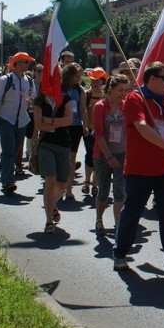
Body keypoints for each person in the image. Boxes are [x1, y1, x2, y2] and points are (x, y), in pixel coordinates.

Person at [111, 62, 164, 281]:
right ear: (151, 79)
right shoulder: (135, 99)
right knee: (132, 212)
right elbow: (142, 128)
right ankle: (120, 253)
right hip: (139, 170)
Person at [0, 53, 36, 195]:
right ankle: (8, 181)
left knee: (13, 152)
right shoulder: (5, 80)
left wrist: (31, 101)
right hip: (6, 119)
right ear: (16, 63)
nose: (27, 65)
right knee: (9, 150)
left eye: (28, 62)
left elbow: (34, 98)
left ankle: (4, 167)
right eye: (24, 62)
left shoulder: (29, 81)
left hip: (22, 120)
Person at [92, 74, 131, 236]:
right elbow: (99, 135)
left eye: (126, 90)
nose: (123, 94)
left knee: (120, 192)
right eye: (120, 90)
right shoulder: (100, 106)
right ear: (111, 89)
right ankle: (99, 219)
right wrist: (109, 156)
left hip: (122, 154)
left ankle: (118, 226)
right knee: (103, 191)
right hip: (103, 155)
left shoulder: (126, 106)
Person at [33, 82, 74, 234]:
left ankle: (51, 204)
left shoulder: (66, 98)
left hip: (63, 144)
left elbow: (69, 120)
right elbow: (38, 125)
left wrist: (49, 121)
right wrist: (56, 123)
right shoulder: (39, 101)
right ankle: (49, 221)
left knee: (62, 185)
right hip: (46, 144)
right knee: (50, 180)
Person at [62, 63, 88, 200]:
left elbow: (83, 109)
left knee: (72, 158)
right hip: (61, 126)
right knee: (62, 157)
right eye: (77, 76)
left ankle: (69, 189)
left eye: (80, 76)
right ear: (69, 75)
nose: (79, 78)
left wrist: (86, 124)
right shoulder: (60, 88)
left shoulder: (80, 90)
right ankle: (59, 187)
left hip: (75, 126)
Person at [83, 67, 108, 196]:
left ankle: (95, 185)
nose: (95, 82)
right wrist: (86, 126)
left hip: (103, 133)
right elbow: (84, 111)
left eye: (97, 80)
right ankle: (87, 182)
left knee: (99, 158)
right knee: (89, 156)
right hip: (90, 130)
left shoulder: (107, 95)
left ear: (103, 81)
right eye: (93, 79)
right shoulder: (87, 94)